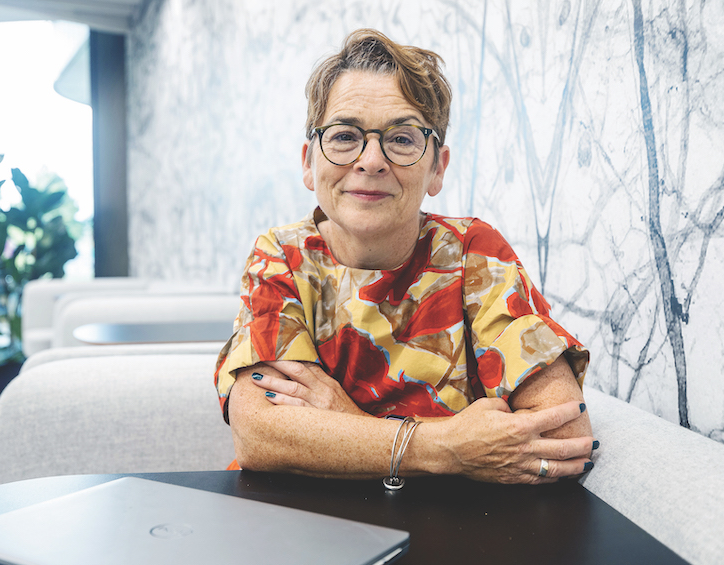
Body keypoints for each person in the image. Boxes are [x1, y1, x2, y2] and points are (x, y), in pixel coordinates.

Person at [214, 28, 595, 485]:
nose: (371, 160)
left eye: (402, 139)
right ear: (308, 163)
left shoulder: (474, 255)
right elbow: (259, 434)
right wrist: (450, 446)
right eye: (344, 136)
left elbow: (562, 433)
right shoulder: (282, 257)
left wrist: (347, 421)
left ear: (437, 168)